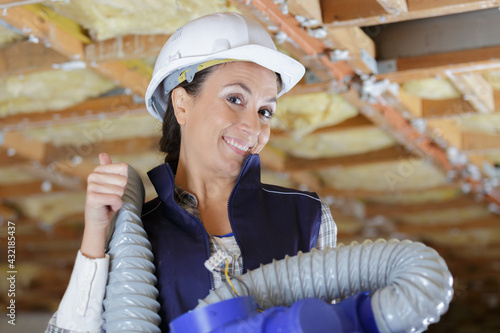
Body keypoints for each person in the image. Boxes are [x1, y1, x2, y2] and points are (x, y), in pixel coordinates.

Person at [46, 12, 337, 332]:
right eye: (235, 98)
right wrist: (96, 233)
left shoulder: (307, 216)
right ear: (182, 105)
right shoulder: (133, 233)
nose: (254, 127)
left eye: (265, 111)